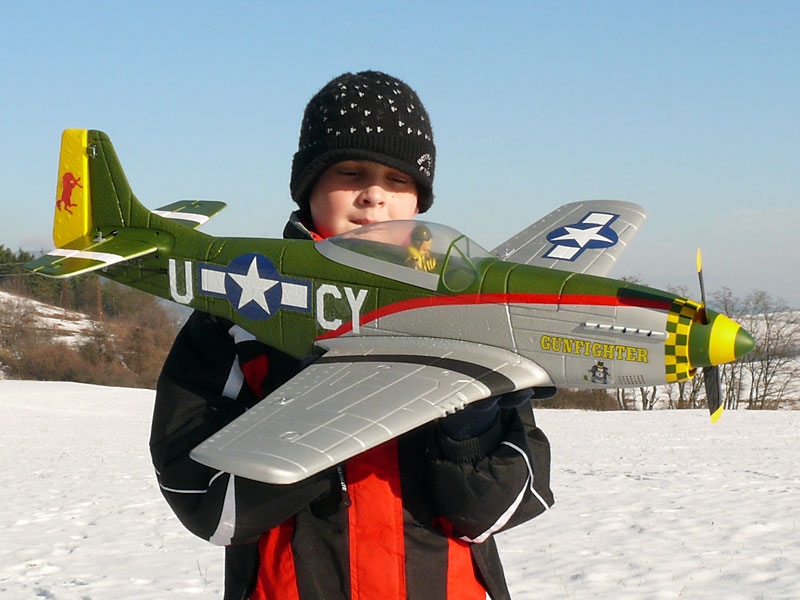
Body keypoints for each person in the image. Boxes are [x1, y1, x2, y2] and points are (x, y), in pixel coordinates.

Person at [150, 70, 554, 600]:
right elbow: (207, 507)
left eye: (398, 180)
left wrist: (471, 429)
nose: (374, 197)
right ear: (308, 186)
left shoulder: (464, 312)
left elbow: (491, 512)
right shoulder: (233, 321)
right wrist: (312, 403)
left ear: (419, 201)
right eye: (349, 171)